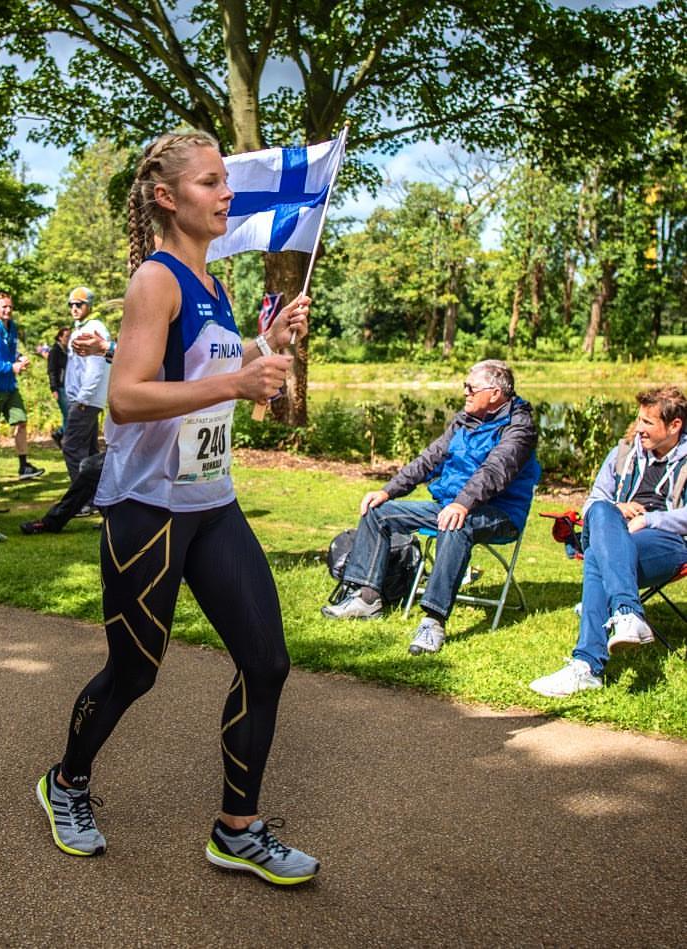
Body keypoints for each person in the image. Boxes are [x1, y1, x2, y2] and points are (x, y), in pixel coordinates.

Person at [35, 130, 319, 886]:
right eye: (209, 183)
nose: (227, 193)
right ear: (166, 196)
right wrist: (235, 383)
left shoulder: (214, 284)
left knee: (267, 661)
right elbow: (126, 398)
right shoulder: (154, 280)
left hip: (211, 502)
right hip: (146, 509)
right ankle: (65, 782)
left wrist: (266, 344)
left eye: (225, 181)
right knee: (133, 673)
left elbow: (207, 370)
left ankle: (238, 827)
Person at [322, 360, 541, 656]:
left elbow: (494, 471)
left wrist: (462, 504)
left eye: (470, 387)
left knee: (454, 524)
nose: (464, 392)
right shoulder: (464, 420)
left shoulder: (520, 426)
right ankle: (367, 598)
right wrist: (388, 491)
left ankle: (433, 621)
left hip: (499, 513)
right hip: (451, 506)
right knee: (378, 513)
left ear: (494, 393)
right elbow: (429, 460)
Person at [530, 386, 687, 697]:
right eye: (638, 420)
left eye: (648, 422)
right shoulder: (623, 454)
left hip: (665, 541)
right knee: (602, 510)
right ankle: (628, 612)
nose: (639, 428)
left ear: (675, 426)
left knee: (598, 566)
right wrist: (618, 510)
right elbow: (593, 503)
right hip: (609, 530)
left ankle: (587, 667)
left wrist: (649, 520)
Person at [0, 291, 44, 483]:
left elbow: (10, 351)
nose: (8, 310)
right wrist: (11, 366)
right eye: (4, 306)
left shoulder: (13, 327)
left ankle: (24, 466)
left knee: (21, 422)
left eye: (10, 306)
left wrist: (19, 358)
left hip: (11, 387)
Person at [61, 287, 111, 483]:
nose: (74, 308)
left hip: (85, 400)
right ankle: (98, 496)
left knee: (71, 447)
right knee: (89, 452)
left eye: (79, 304)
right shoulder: (81, 328)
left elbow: (96, 366)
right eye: (71, 304)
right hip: (84, 398)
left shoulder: (93, 329)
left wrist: (83, 398)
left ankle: (83, 499)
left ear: (88, 305)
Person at [47, 325, 71, 448]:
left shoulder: (67, 351)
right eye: (66, 336)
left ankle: (60, 433)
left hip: (68, 386)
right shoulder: (55, 351)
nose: (69, 339)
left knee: (69, 414)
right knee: (68, 414)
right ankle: (64, 437)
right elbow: (51, 370)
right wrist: (54, 388)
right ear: (60, 337)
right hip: (60, 387)